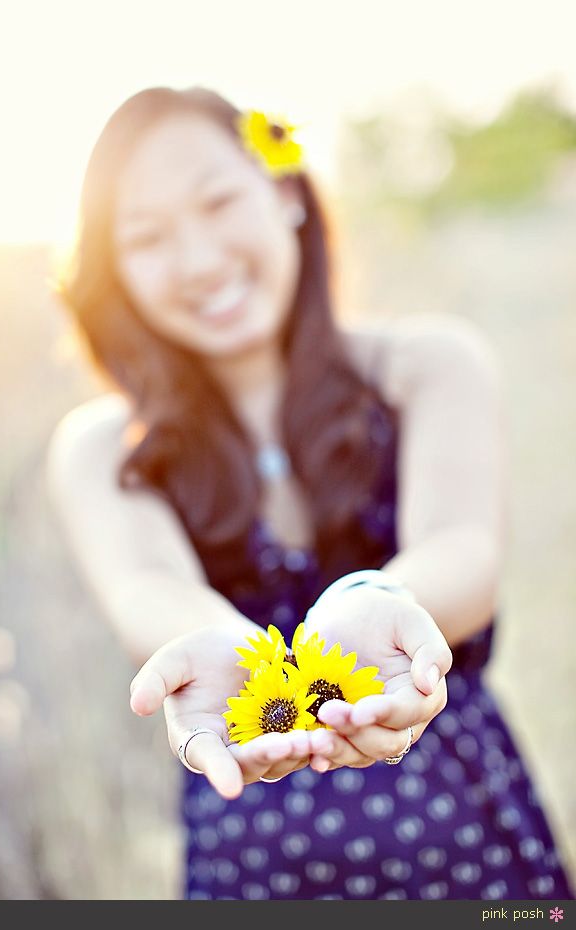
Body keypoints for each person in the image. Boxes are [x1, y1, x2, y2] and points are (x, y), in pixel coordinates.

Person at [46, 86, 572, 901]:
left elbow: (463, 551)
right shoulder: (103, 448)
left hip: (467, 847)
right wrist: (234, 653)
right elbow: (146, 587)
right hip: (253, 862)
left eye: (218, 202)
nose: (198, 260)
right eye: (147, 239)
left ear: (285, 191)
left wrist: (379, 597)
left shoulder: (428, 366)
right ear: (114, 273)